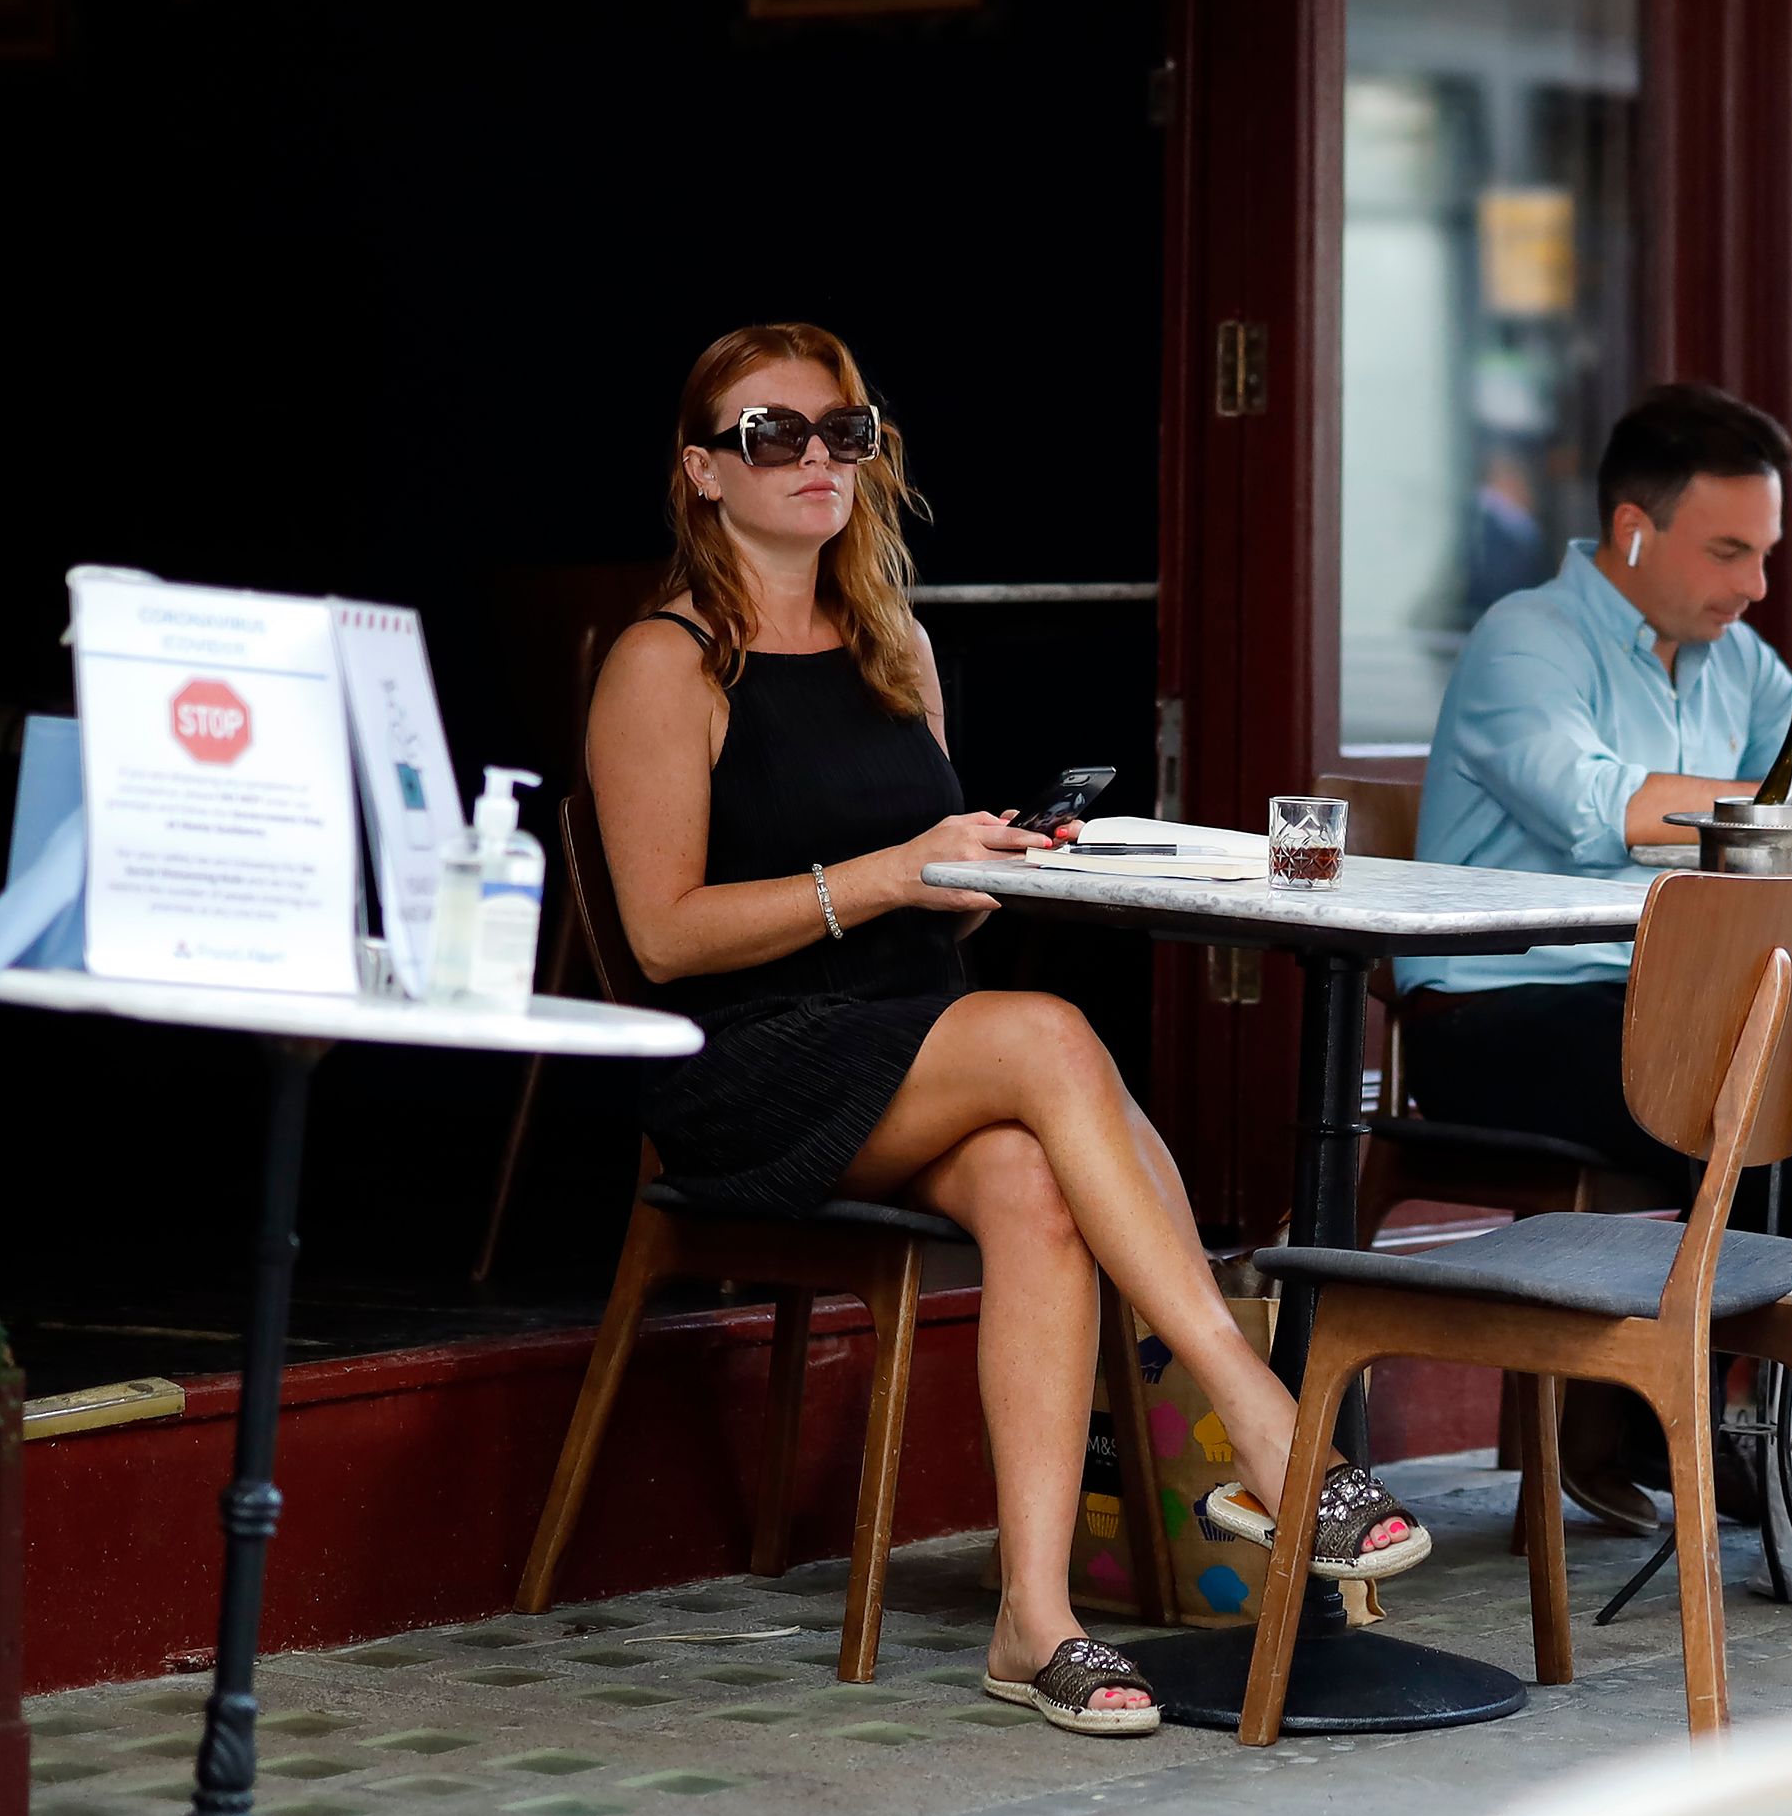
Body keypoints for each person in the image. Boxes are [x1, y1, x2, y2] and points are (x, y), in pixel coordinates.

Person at [588, 321, 1431, 1741]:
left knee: (1037, 1180)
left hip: (910, 1035)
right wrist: (895, 871)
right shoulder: (666, 665)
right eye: (770, 433)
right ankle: (1267, 1422)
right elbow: (665, 930)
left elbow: (935, 898)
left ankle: (1031, 1620)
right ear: (700, 471)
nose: (814, 457)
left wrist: (986, 864)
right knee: (1043, 1029)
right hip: (749, 1064)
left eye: (842, 432)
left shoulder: (891, 645)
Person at [1398, 382, 1792, 1529]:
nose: (1755, 585)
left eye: (1765, 553)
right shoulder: (1527, 638)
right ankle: (1669, 1417)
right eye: (1728, 551)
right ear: (1631, 530)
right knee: (1759, 1101)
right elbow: (1595, 804)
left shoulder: (1735, 657)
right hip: (1497, 1011)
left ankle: (1720, 1408)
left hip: (1665, 1005)